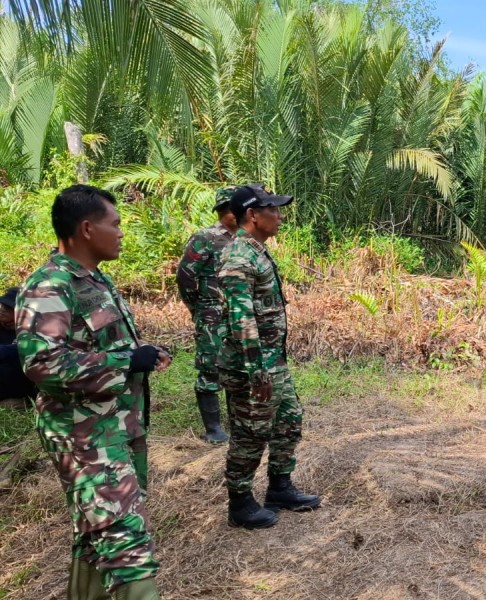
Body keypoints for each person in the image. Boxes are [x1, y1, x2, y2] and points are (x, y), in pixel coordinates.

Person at [16, 184, 171, 599]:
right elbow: (42, 364)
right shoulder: (49, 286)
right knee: (125, 540)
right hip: (82, 436)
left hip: (114, 428)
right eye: (115, 224)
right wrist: (125, 363)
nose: (122, 232)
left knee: (95, 529)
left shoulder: (95, 280)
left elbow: (96, 347)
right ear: (87, 228)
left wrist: (141, 353)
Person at [218, 184, 319, 529]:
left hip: (271, 360)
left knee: (289, 418)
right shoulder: (238, 257)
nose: (279, 216)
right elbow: (241, 319)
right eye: (272, 210)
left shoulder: (256, 250)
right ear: (252, 215)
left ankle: (280, 486)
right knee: (251, 432)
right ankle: (241, 502)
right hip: (253, 366)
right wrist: (256, 370)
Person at [176, 185, 250, 443]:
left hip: (240, 316)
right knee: (211, 367)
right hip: (211, 315)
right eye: (232, 209)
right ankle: (214, 429)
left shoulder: (245, 239)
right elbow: (185, 276)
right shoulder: (205, 238)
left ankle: (238, 422)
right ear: (222, 211)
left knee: (238, 367)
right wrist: (198, 307)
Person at [0, 286, 36, 404]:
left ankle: (26, 400)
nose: (2, 310)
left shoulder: (32, 329)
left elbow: (22, 349)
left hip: (21, 384)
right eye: (3, 306)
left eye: (8, 307)